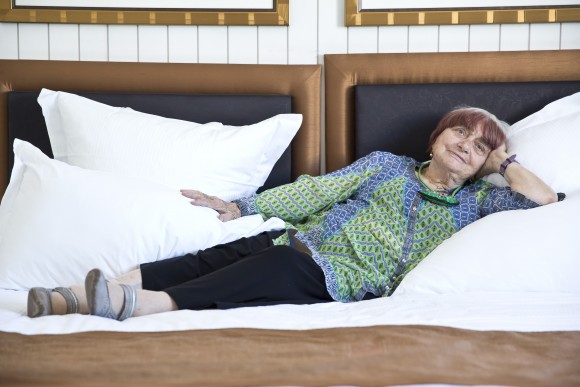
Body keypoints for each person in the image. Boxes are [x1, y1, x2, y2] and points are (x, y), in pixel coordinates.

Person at [27, 106, 562, 320]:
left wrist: (503, 159)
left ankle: (134, 306)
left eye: (478, 145)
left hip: (332, 277)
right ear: (438, 135)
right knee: (204, 260)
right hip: (291, 241)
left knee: (268, 271)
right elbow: (318, 191)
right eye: (459, 132)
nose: (466, 145)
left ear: (484, 162)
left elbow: (544, 201)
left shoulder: (478, 203)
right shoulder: (387, 166)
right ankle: (72, 296)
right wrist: (243, 206)